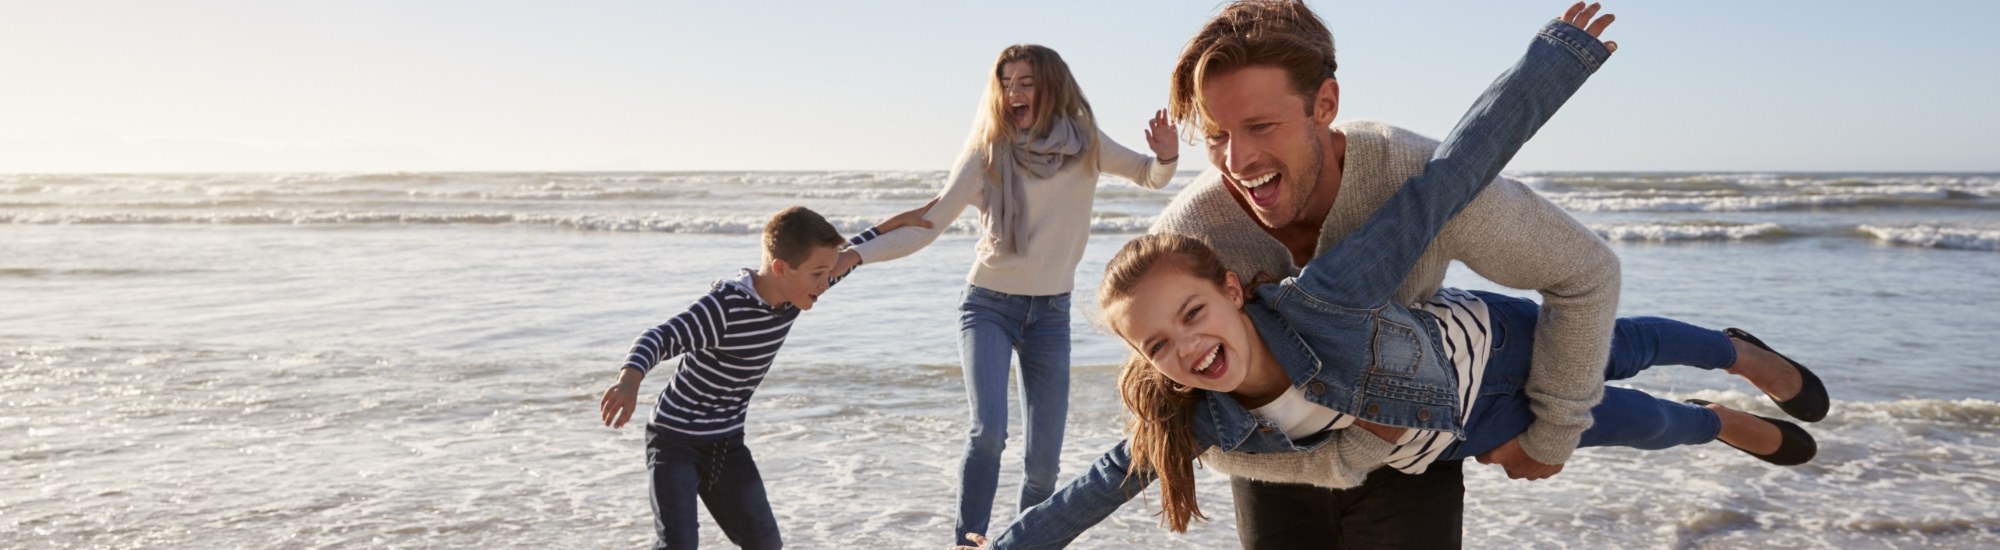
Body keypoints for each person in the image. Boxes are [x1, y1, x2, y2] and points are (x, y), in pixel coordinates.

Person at [961, 10, 1822, 548]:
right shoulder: (1189, 255)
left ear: (1324, 107)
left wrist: (1553, 60)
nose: (1237, 161)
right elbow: (1105, 480)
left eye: (1259, 125)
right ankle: (1711, 422)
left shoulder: (1344, 265)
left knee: (1610, 360)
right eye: (1215, 137)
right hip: (1440, 427)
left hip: (1477, 347)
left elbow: (1527, 232)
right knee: (1633, 423)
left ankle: (1728, 349)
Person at [843, 44, 1181, 545]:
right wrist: (854, 255)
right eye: (1005, 82)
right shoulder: (986, 152)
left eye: (1025, 81)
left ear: (1050, 85)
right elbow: (928, 225)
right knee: (989, 433)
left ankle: (1026, 541)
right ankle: (969, 541)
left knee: (1043, 463)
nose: (1013, 92)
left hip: (1052, 314)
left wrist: (1168, 153)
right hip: (988, 306)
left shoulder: (1084, 141)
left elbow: (1151, 176)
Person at [596, 204, 932, 549]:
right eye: (818, 274)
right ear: (781, 268)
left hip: (727, 444)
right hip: (674, 441)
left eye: (827, 273)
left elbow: (851, 254)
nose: (825, 282)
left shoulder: (797, 290)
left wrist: (898, 223)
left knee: (765, 544)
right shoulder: (724, 309)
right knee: (678, 544)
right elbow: (658, 337)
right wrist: (629, 382)